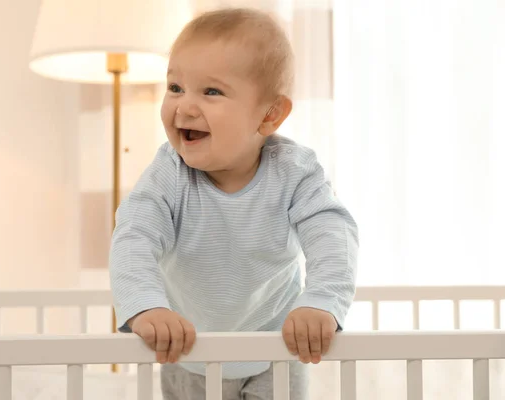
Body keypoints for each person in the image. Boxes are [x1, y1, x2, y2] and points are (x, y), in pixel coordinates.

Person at [109, 7, 358, 399]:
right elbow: (133, 237)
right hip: (188, 353)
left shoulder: (295, 173)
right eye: (175, 87)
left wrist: (321, 300)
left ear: (270, 114)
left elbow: (333, 235)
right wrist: (146, 307)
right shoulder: (168, 175)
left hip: (276, 352)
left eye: (211, 91)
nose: (185, 106)